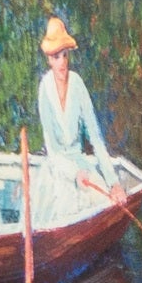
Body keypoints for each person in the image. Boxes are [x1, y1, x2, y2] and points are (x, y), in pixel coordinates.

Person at [31, 15, 116, 226]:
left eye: (65, 55)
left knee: (105, 201)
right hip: (58, 169)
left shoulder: (77, 85)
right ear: (49, 60)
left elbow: (95, 137)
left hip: (80, 162)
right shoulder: (45, 89)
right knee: (65, 213)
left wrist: (113, 182)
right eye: (56, 57)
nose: (62, 62)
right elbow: (52, 149)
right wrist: (74, 174)